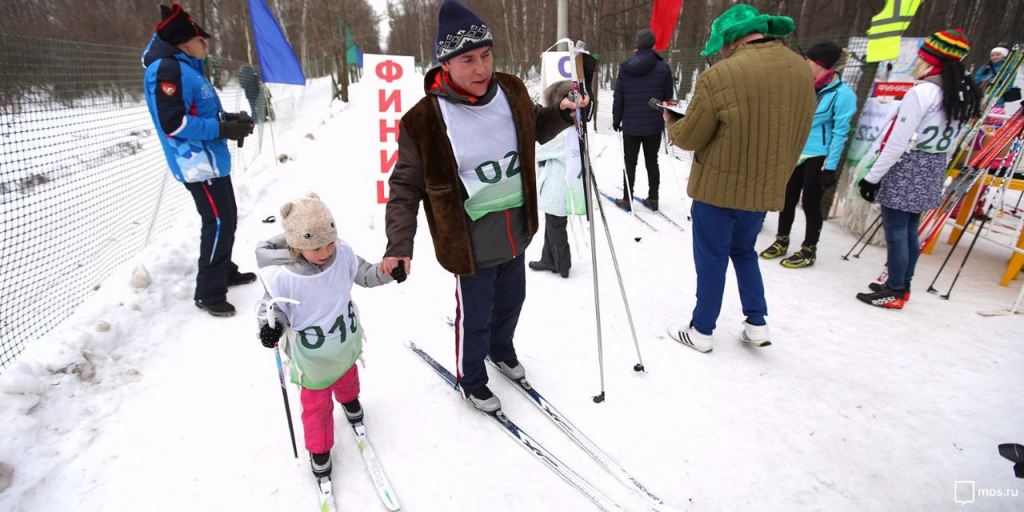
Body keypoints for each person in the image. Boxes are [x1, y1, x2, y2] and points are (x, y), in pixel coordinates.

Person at [381, 0, 582, 412]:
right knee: (474, 316)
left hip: (517, 225)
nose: (481, 69)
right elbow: (404, 186)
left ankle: (501, 349)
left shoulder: (509, 89)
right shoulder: (424, 119)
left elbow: (535, 128)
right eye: (468, 60)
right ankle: (471, 379)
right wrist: (398, 244)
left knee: (512, 301)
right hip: (470, 237)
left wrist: (560, 113)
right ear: (446, 65)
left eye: (486, 55)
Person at [663, 3, 815, 352]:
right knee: (744, 251)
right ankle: (756, 323)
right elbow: (797, 126)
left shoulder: (721, 74)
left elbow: (691, 136)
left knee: (712, 259)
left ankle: (701, 331)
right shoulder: (799, 69)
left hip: (719, 188)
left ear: (730, 41)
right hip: (764, 187)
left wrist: (674, 123)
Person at [255, 192, 394, 483]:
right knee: (316, 404)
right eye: (315, 246)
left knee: (347, 374)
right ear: (295, 245)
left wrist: (387, 272)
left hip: (343, 340)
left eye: (330, 241)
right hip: (311, 357)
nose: (325, 251)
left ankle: (350, 402)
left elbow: (366, 273)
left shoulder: (341, 254)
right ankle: (319, 450)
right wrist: (272, 328)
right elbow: (271, 308)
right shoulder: (283, 276)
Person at [142, 3, 256, 317]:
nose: (206, 44)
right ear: (182, 42)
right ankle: (208, 291)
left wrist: (230, 119)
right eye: (200, 39)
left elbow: (199, 112)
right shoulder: (168, 69)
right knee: (218, 221)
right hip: (197, 164)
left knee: (227, 216)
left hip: (212, 161)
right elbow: (173, 123)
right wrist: (222, 128)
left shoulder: (188, 68)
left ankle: (223, 271)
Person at [856, 30, 980, 309]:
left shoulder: (923, 91)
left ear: (930, 59)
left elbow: (899, 140)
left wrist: (872, 178)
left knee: (897, 231)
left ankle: (895, 289)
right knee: (910, 229)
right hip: (933, 164)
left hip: (908, 163)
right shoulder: (960, 92)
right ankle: (903, 284)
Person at [759, 41, 857, 268]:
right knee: (786, 200)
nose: (805, 64)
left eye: (809, 61)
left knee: (811, 204)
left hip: (818, 155)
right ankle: (781, 241)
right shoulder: (804, 86)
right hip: (795, 152)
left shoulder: (842, 94)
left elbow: (840, 133)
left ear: (822, 65)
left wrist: (830, 167)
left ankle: (808, 249)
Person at [530, 81, 588, 278]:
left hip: (559, 187)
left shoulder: (563, 132)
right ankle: (548, 257)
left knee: (556, 228)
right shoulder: (576, 128)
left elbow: (539, 148)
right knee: (552, 225)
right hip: (560, 185)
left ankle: (562, 263)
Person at [612, 28, 674, 211]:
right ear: (653, 44)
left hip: (631, 125)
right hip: (654, 125)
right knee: (651, 161)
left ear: (637, 45)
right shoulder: (664, 68)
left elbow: (619, 98)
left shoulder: (625, 68)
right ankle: (653, 198)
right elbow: (667, 96)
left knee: (629, 162)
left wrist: (617, 120)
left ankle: (627, 199)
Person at [973, 43, 1011, 108]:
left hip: (996, 100)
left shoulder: (1008, 68)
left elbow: (1008, 85)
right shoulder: (986, 67)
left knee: (994, 117)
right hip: (981, 98)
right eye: (993, 55)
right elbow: (975, 80)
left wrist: (994, 94)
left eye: (998, 55)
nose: (995, 57)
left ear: (1004, 55)